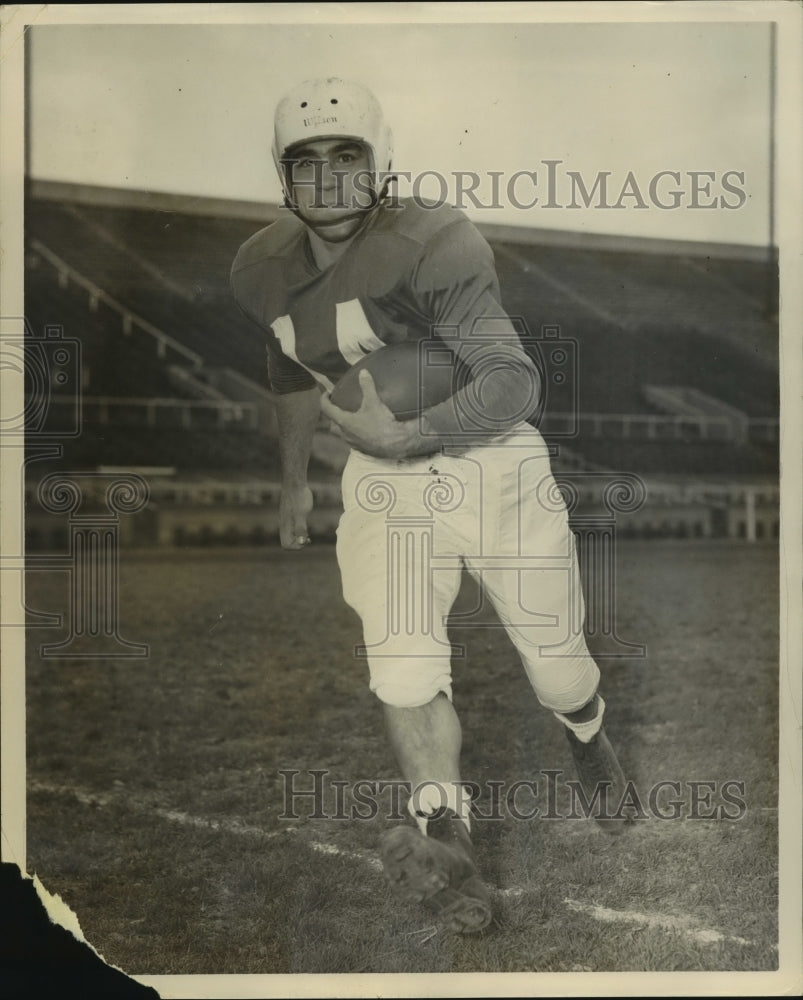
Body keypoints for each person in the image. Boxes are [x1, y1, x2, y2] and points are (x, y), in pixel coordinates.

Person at [231, 77, 628, 935]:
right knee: (403, 666)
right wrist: (296, 476)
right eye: (307, 162)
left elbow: (513, 381)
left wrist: (411, 437)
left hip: (487, 461)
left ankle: (587, 732)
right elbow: (288, 372)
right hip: (382, 476)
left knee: (556, 663)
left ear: (381, 164)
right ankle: (444, 835)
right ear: (280, 173)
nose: (329, 178)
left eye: (348, 157)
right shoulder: (258, 267)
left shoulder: (433, 237)